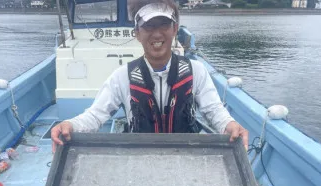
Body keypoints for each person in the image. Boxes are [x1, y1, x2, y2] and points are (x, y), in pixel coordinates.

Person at [51, 0, 248, 152]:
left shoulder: (196, 71)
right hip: (140, 157)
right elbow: (95, 116)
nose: (156, 34)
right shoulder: (122, 77)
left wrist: (229, 124)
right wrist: (70, 124)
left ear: (175, 29)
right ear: (137, 33)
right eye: (148, 26)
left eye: (163, 24)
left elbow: (213, 109)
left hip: (188, 155)